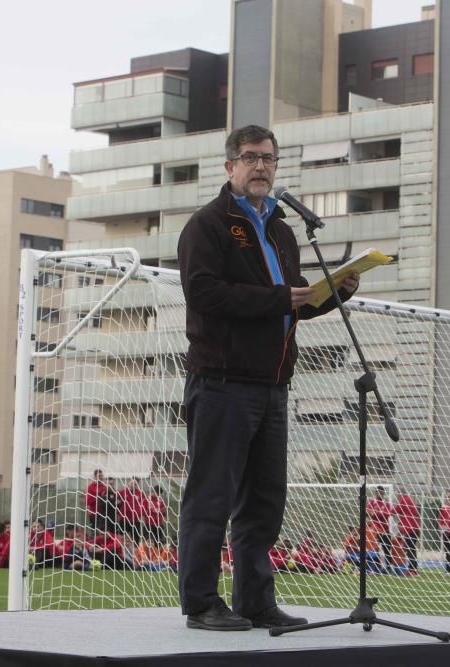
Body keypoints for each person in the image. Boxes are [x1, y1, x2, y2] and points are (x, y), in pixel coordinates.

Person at [176, 124, 359, 631]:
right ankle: (201, 603)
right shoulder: (207, 225)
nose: (262, 167)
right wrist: (283, 298)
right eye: (251, 157)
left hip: (273, 385)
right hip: (222, 383)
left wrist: (336, 290)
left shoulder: (281, 230)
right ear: (229, 165)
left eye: (269, 159)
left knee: (264, 501)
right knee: (212, 496)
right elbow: (205, 295)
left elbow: (293, 304)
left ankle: (255, 601)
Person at [366, 486, 393, 571]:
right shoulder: (372, 502)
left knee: (387, 550)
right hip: (375, 530)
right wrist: (375, 514)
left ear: (384, 493)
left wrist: (375, 514)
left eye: (381, 493)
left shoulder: (387, 504)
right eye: (378, 492)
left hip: (385, 530)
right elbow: (367, 512)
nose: (380, 494)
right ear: (376, 493)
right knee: (374, 549)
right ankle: (376, 567)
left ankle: (388, 568)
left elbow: (387, 515)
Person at [394, 491, 420, 576]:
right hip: (414, 529)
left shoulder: (404, 500)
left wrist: (384, 513)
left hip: (411, 530)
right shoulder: (409, 500)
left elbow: (395, 510)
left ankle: (413, 570)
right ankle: (412, 569)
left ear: (400, 494)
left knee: (410, 550)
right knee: (410, 549)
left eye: (397, 494)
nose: (396, 496)